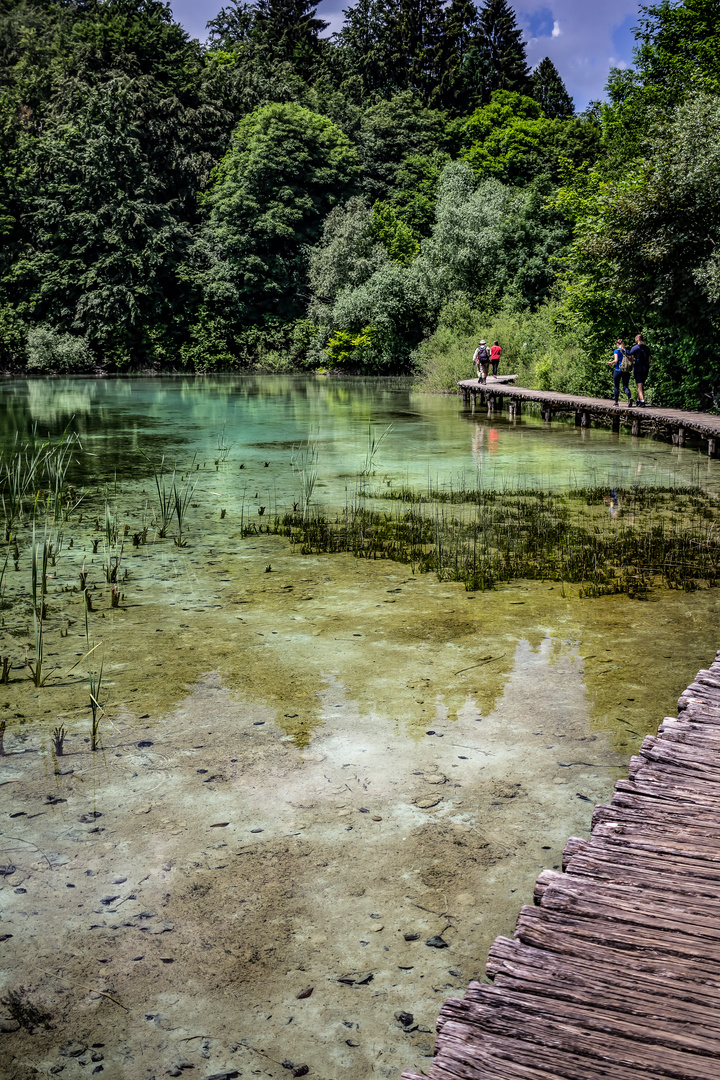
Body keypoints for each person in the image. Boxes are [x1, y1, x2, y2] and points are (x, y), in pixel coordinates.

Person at [607, 338, 633, 407]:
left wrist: (610, 362)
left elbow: (615, 360)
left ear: (617, 344)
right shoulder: (627, 351)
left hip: (618, 370)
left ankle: (616, 403)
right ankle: (629, 397)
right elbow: (631, 360)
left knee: (616, 386)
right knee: (625, 386)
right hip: (626, 371)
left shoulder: (617, 351)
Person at [630, 333, 651, 407]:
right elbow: (649, 359)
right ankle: (638, 400)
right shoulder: (647, 348)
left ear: (637, 339)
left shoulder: (634, 348)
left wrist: (632, 366)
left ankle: (642, 401)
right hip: (645, 367)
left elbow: (631, 358)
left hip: (638, 367)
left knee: (639, 384)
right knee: (641, 384)